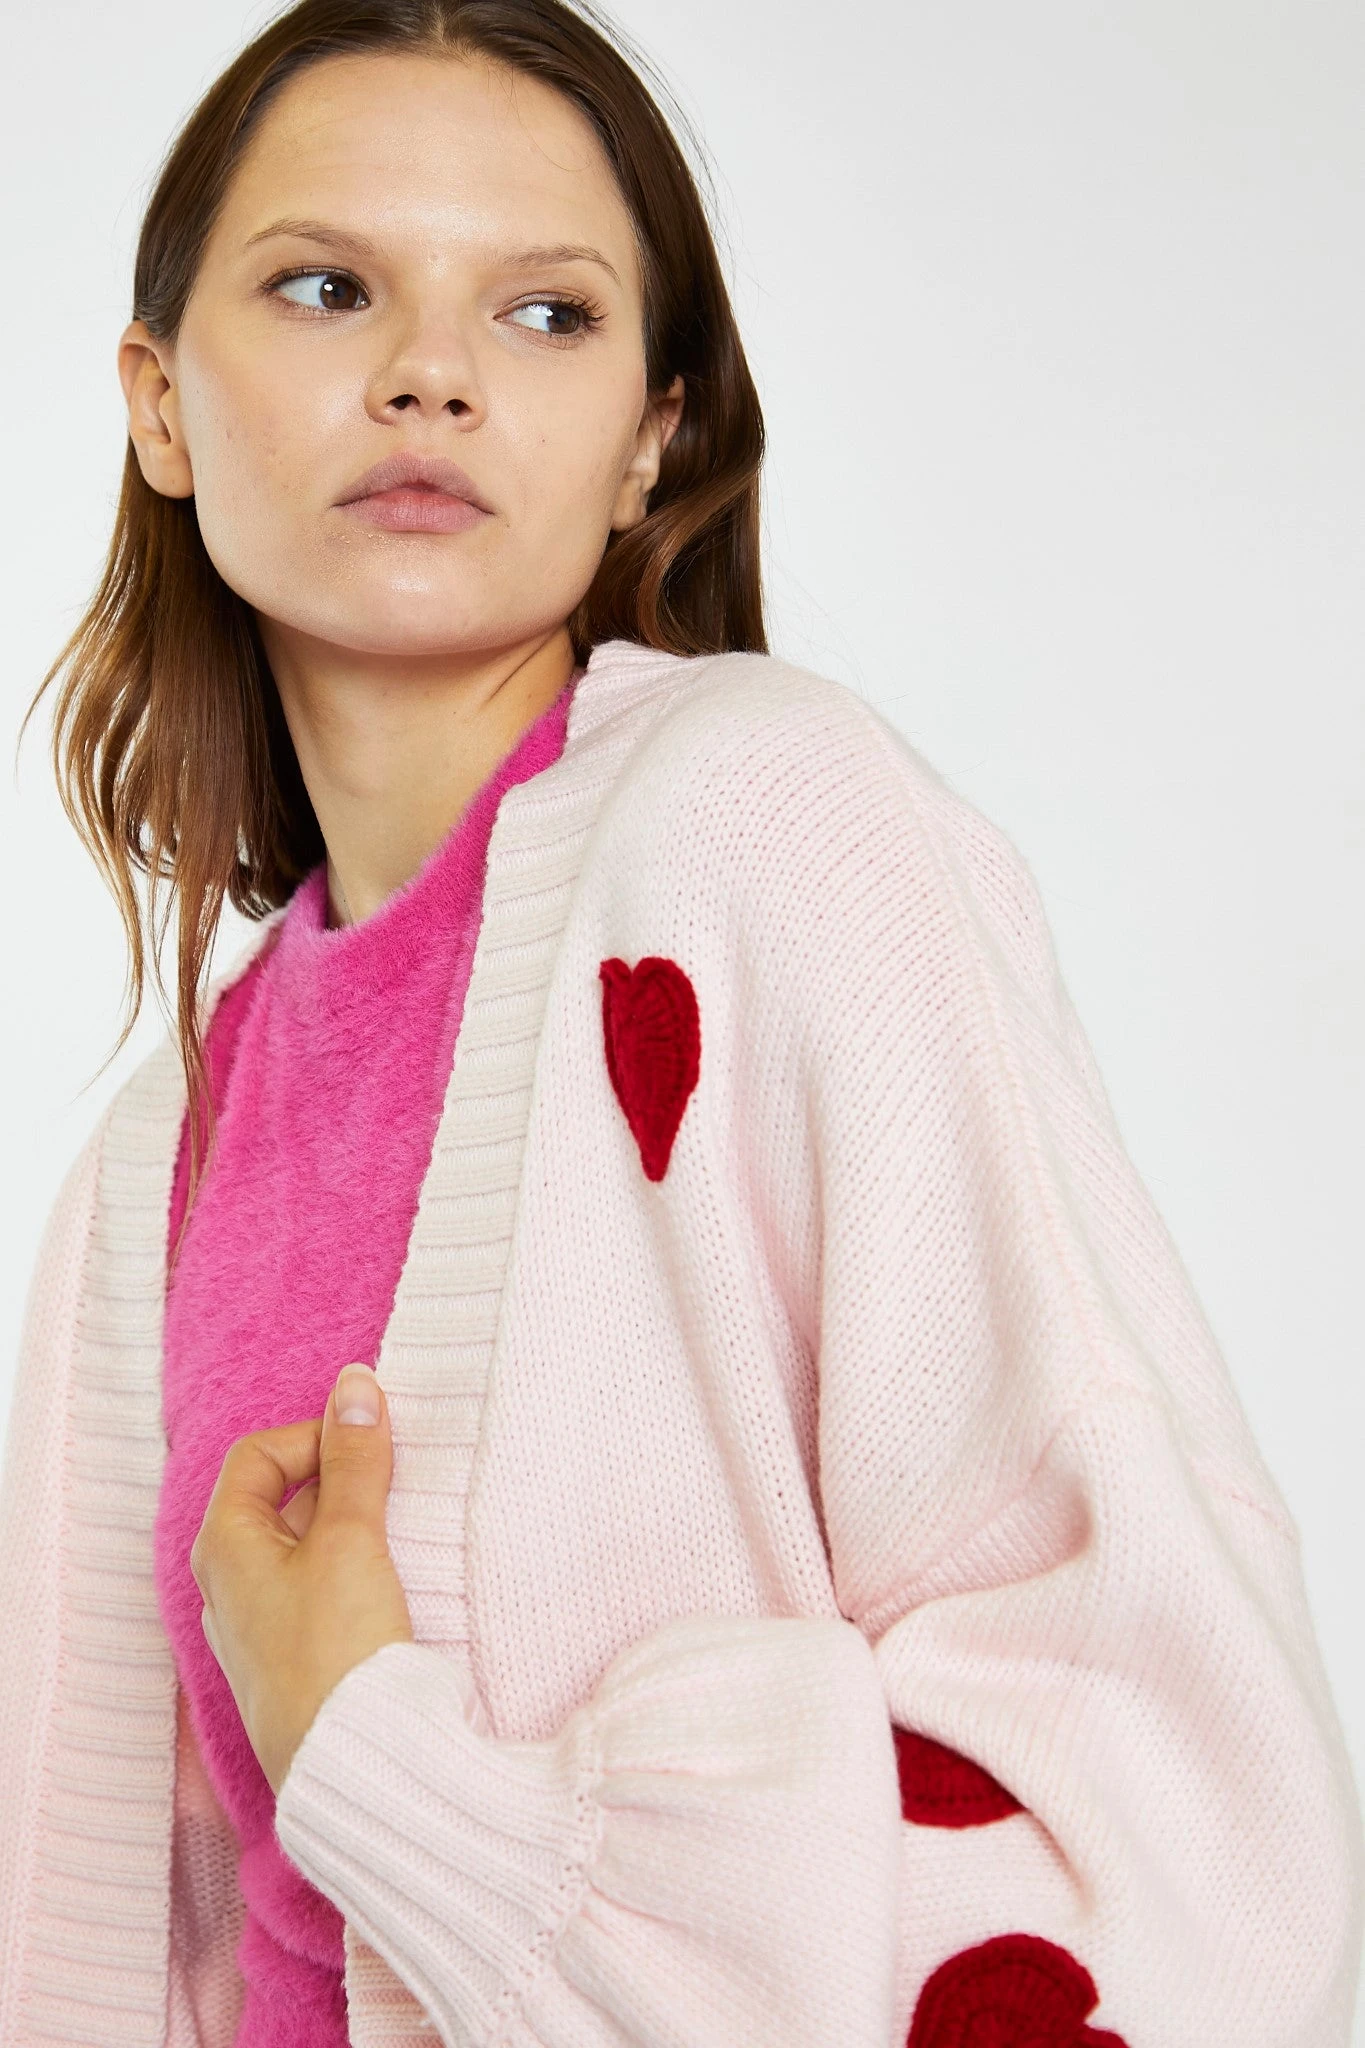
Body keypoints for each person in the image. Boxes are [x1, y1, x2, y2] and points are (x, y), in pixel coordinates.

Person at [1, 0, 1360, 2043]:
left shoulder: (765, 827)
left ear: (652, 432)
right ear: (160, 403)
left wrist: (379, 1751)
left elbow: (1173, 1792)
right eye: (325, 287)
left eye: (544, 312)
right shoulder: (151, 1172)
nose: (433, 372)